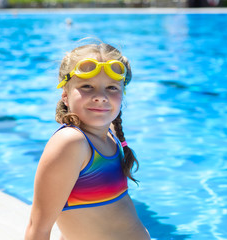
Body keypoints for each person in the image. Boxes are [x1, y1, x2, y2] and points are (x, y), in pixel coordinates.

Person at [25, 42, 150, 240]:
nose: (100, 97)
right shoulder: (72, 142)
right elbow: (38, 228)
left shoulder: (110, 134)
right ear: (65, 96)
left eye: (111, 87)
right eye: (87, 86)